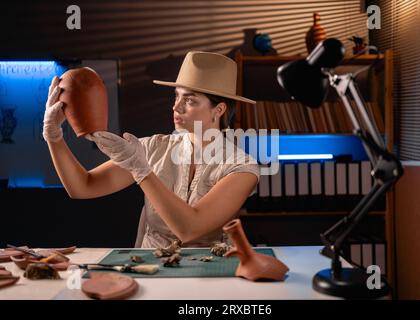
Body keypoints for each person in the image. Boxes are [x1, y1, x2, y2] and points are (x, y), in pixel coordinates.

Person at [43, 51, 260, 248]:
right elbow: (82, 187)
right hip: (150, 269)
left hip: (210, 273)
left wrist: (141, 170)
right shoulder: (153, 148)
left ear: (219, 109)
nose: (176, 107)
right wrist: (53, 136)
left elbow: (189, 229)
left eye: (190, 100)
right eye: (176, 96)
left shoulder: (241, 167)